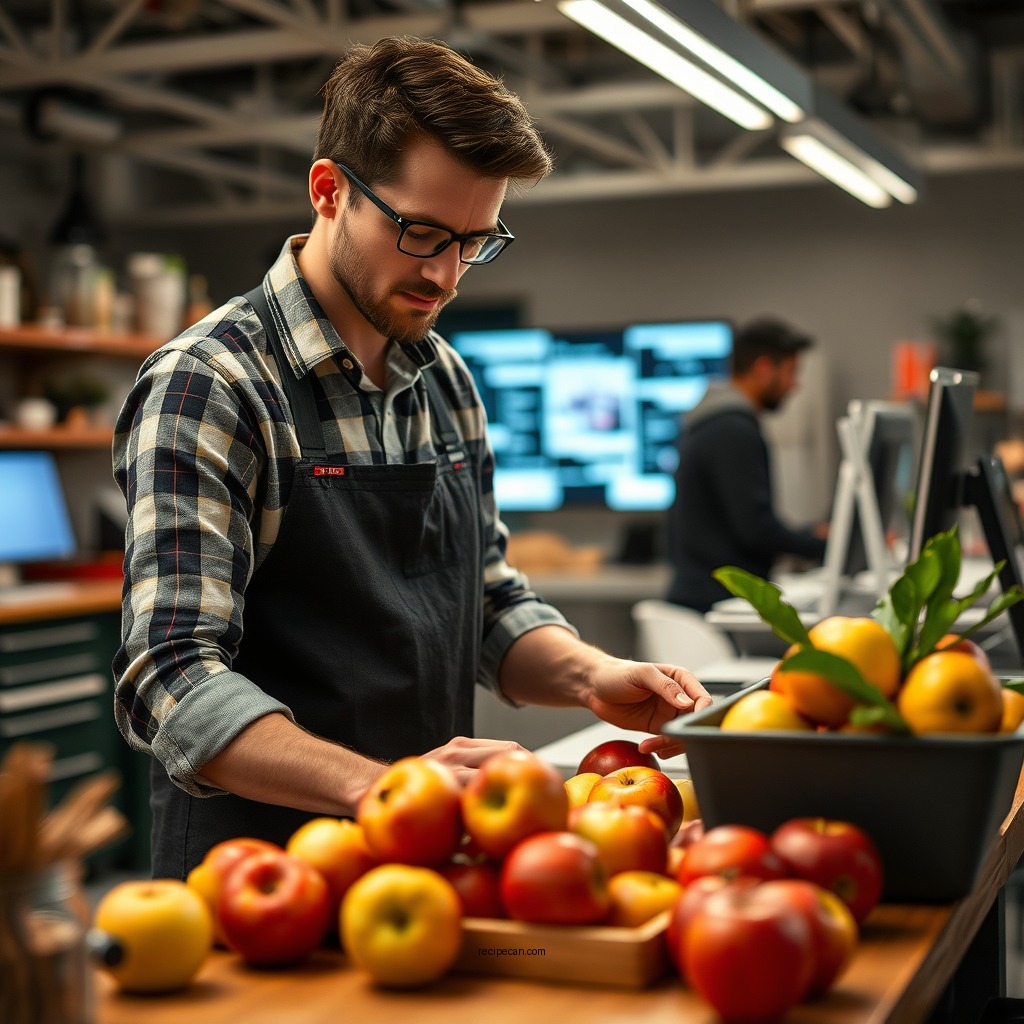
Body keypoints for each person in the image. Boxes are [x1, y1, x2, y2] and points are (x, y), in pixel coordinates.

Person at [112, 36, 712, 880]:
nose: (447, 274)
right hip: (263, 885)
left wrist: (592, 675)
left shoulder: (446, 380)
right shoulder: (210, 386)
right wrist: (389, 790)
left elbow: (485, 598)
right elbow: (168, 680)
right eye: (423, 232)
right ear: (330, 191)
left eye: (476, 241)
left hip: (427, 870)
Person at [666, 316, 828, 613]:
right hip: (718, 607)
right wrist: (827, 546)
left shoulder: (713, 423)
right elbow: (756, 530)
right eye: (791, 372)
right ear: (764, 369)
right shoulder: (733, 430)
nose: (795, 385)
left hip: (704, 598)